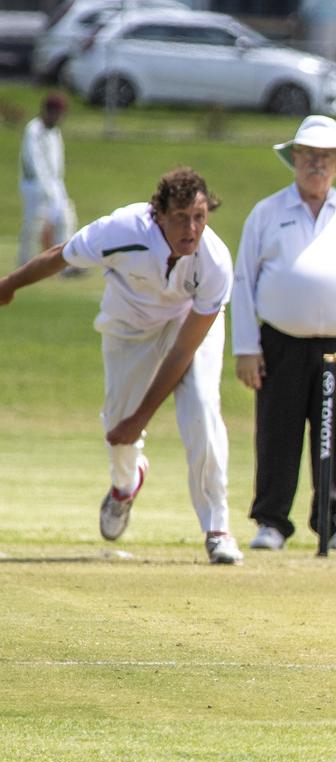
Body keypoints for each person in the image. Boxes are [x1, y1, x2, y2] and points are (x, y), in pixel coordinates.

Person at [0, 167, 243, 565]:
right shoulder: (121, 230)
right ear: (158, 215)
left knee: (202, 408)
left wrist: (144, 416)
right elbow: (58, 256)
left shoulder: (214, 262)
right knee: (118, 427)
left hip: (186, 326)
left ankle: (217, 527)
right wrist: (9, 284)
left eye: (199, 217)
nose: (191, 228)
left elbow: (182, 354)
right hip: (129, 328)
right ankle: (125, 485)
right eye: (181, 217)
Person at [231, 115, 336, 552]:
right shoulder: (267, 213)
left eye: (325, 158)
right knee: (277, 431)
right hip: (280, 341)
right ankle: (272, 522)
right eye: (308, 156)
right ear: (294, 158)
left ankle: (335, 522)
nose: (316, 165)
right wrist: (246, 347)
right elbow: (243, 280)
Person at [18, 92, 80, 276]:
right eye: (58, 113)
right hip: (34, 186)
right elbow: (34, 161)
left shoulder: (55, 132)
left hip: (55, 184)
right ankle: (24, 264)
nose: (60, 118)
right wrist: (46, 188)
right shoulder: (34, 130)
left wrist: (56, 188)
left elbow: (56, 164)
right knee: (33, 224)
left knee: (66, 220)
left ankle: (65, 265)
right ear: (48, 111)